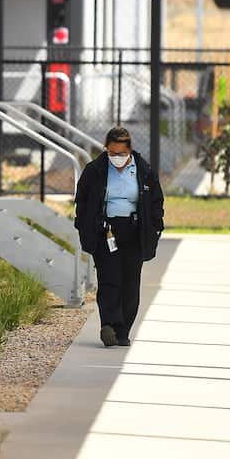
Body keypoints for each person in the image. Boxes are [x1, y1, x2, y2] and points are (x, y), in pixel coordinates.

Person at [74, 127, 165, 347]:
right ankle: (109, 325)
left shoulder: (143, 170)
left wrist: (155, 226)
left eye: (121, 153)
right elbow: (83, 200)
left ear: (129, 150)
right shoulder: (95, 170)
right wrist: (84, 225)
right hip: (106, 231)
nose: (116, 158)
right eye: (112, 153)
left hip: (134, 230)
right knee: (109, 278)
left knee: (130, 282)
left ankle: (123, 330)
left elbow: (155, 201)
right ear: (106, 150)